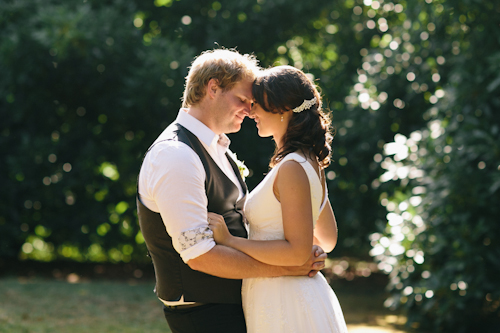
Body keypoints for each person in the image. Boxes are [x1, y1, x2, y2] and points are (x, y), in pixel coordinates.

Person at [136, 49, 327, 333]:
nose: (250, 110)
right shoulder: (176, 155)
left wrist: (299, 248)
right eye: (243, 100)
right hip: (204, 315)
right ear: (213, 88)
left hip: (237, 306)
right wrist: (288, 268)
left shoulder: (218, 149)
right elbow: (200, 255)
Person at [208, 65, 348, 333]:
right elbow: (327, 239)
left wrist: (231, 241)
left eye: (257, 104)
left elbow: (297, 251)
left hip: (287, 298)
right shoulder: (310, 163)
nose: (251, 112)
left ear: (283, 110)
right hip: (286, 291)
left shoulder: (293, 168)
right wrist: (313, 249)